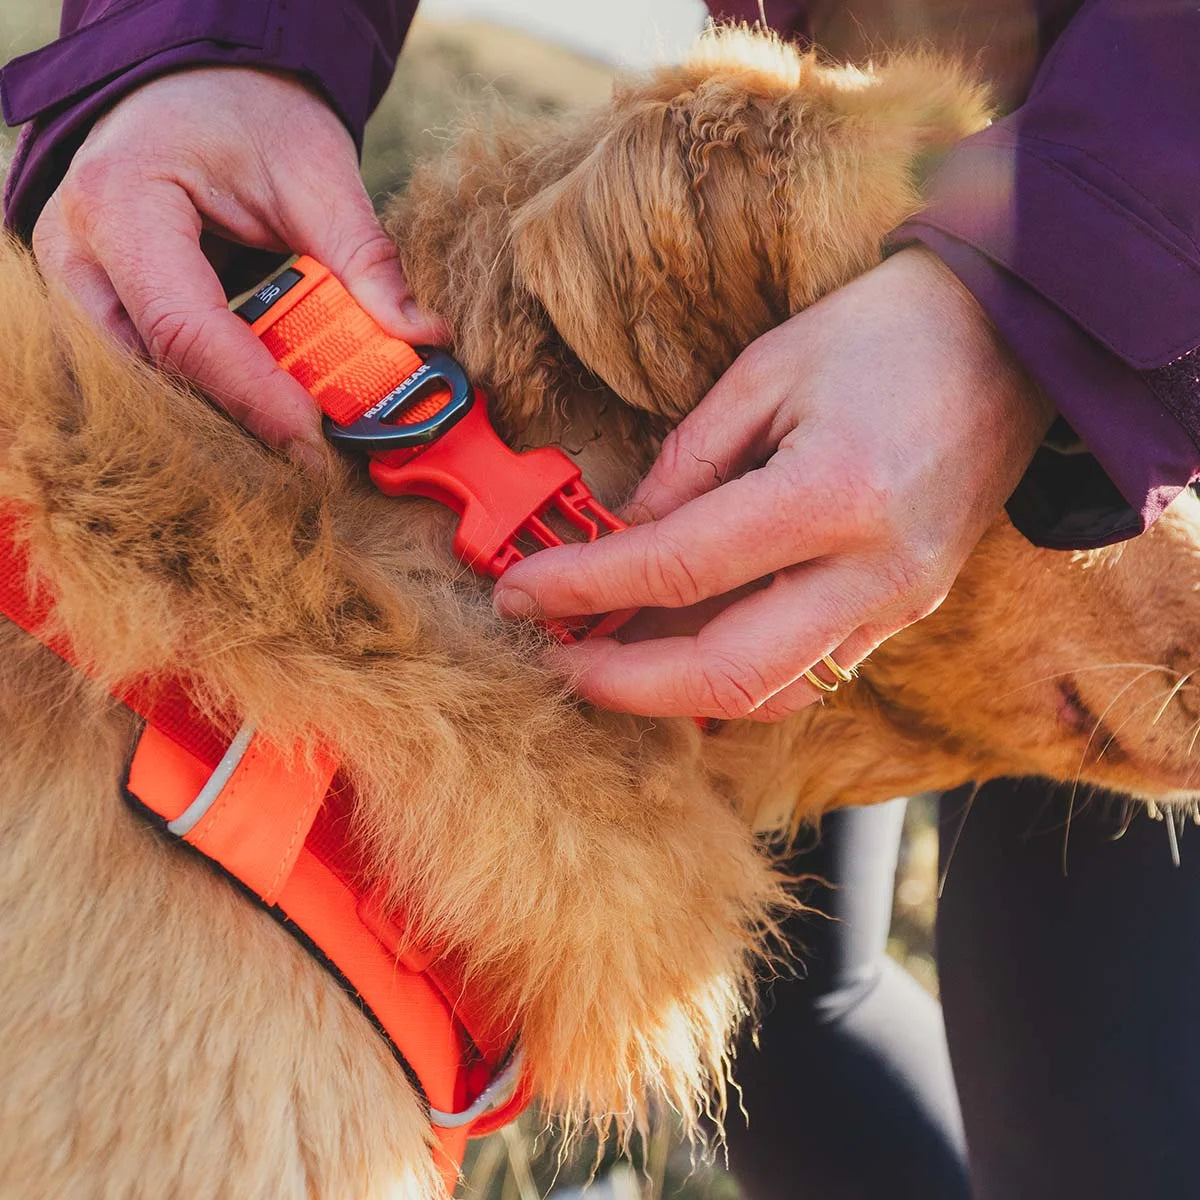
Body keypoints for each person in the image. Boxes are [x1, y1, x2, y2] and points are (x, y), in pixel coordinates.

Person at [3, 2, 1198, 1196]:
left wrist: (1038, 311)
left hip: (1131, 309)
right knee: (800, 1028)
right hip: (875, 317)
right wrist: (210, 40)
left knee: (1095, 1110)